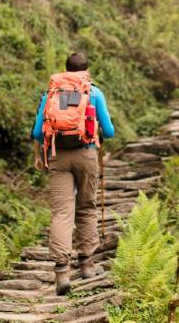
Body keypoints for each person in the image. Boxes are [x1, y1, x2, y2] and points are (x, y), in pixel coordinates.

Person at [31, 52, 115, 295]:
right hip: (87, 154)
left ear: (65, 69)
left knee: (61, 212)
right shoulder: (94, 92)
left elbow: (38, 132)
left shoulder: (50, 94)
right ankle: (87, 265)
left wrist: (40, 155)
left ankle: (62, 273)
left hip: (57, 155)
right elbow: (108, 132)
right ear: (86, 70)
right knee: (87, 207)